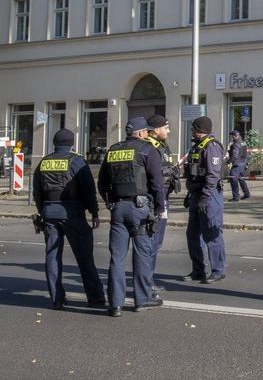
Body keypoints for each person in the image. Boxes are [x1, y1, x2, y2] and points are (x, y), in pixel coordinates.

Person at [97, 117, 165, 316]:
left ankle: (115, 304)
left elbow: (101, 183)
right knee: (142, 254)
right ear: (142, 132)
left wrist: (110, 201)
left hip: (118, 208)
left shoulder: (113, 150)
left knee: (117, 257)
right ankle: (141, 300)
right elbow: (157, 182)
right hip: (140, 209)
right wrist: (160, 207)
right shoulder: (147, 150)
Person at [32, 128, 106, 311]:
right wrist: (94, 213)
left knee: (52, 257)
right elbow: (88, 190)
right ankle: (95, 299)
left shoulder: (43, 162)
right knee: (85, 257)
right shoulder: (77, 161)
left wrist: (43, 211)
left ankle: (57, 299)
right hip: (72, 213)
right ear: (71, 143)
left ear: (54, 143)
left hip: (49, 213)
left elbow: (37, 192)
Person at [182, 116, 227, 283]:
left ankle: (218, 270)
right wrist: (190, 195)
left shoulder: (212, 147)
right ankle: (198, 270)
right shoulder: (197, 147)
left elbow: (213, 175)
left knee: (212, 233)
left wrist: (205, 197)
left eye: (194, 129)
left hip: (210, 196)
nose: (191, 131)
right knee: (192, 234)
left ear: (200, 130)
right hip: (196, 194)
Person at [145, 114, 176, 292]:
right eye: (166, 127)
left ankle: (147, 281)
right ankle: (146, 283)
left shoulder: (160, 146)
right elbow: (156, 179)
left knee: (154, 243)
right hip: (156, 200)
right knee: (152, 243)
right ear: (156, 130)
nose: (169, 130)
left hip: (161, 197)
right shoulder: (151, 147)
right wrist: (160, 205)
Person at [227, 130, 251, 202]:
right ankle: (247, 194)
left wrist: (229, 161)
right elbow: (246, 154)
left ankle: (236, 197)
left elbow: (234, 155)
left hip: (237, 164)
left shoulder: (236, 144)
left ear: (235, 136)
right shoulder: (243, 143)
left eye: (232, 136)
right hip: (242, 163)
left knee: (233, 179)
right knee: (241, 178)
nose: (232, 138)